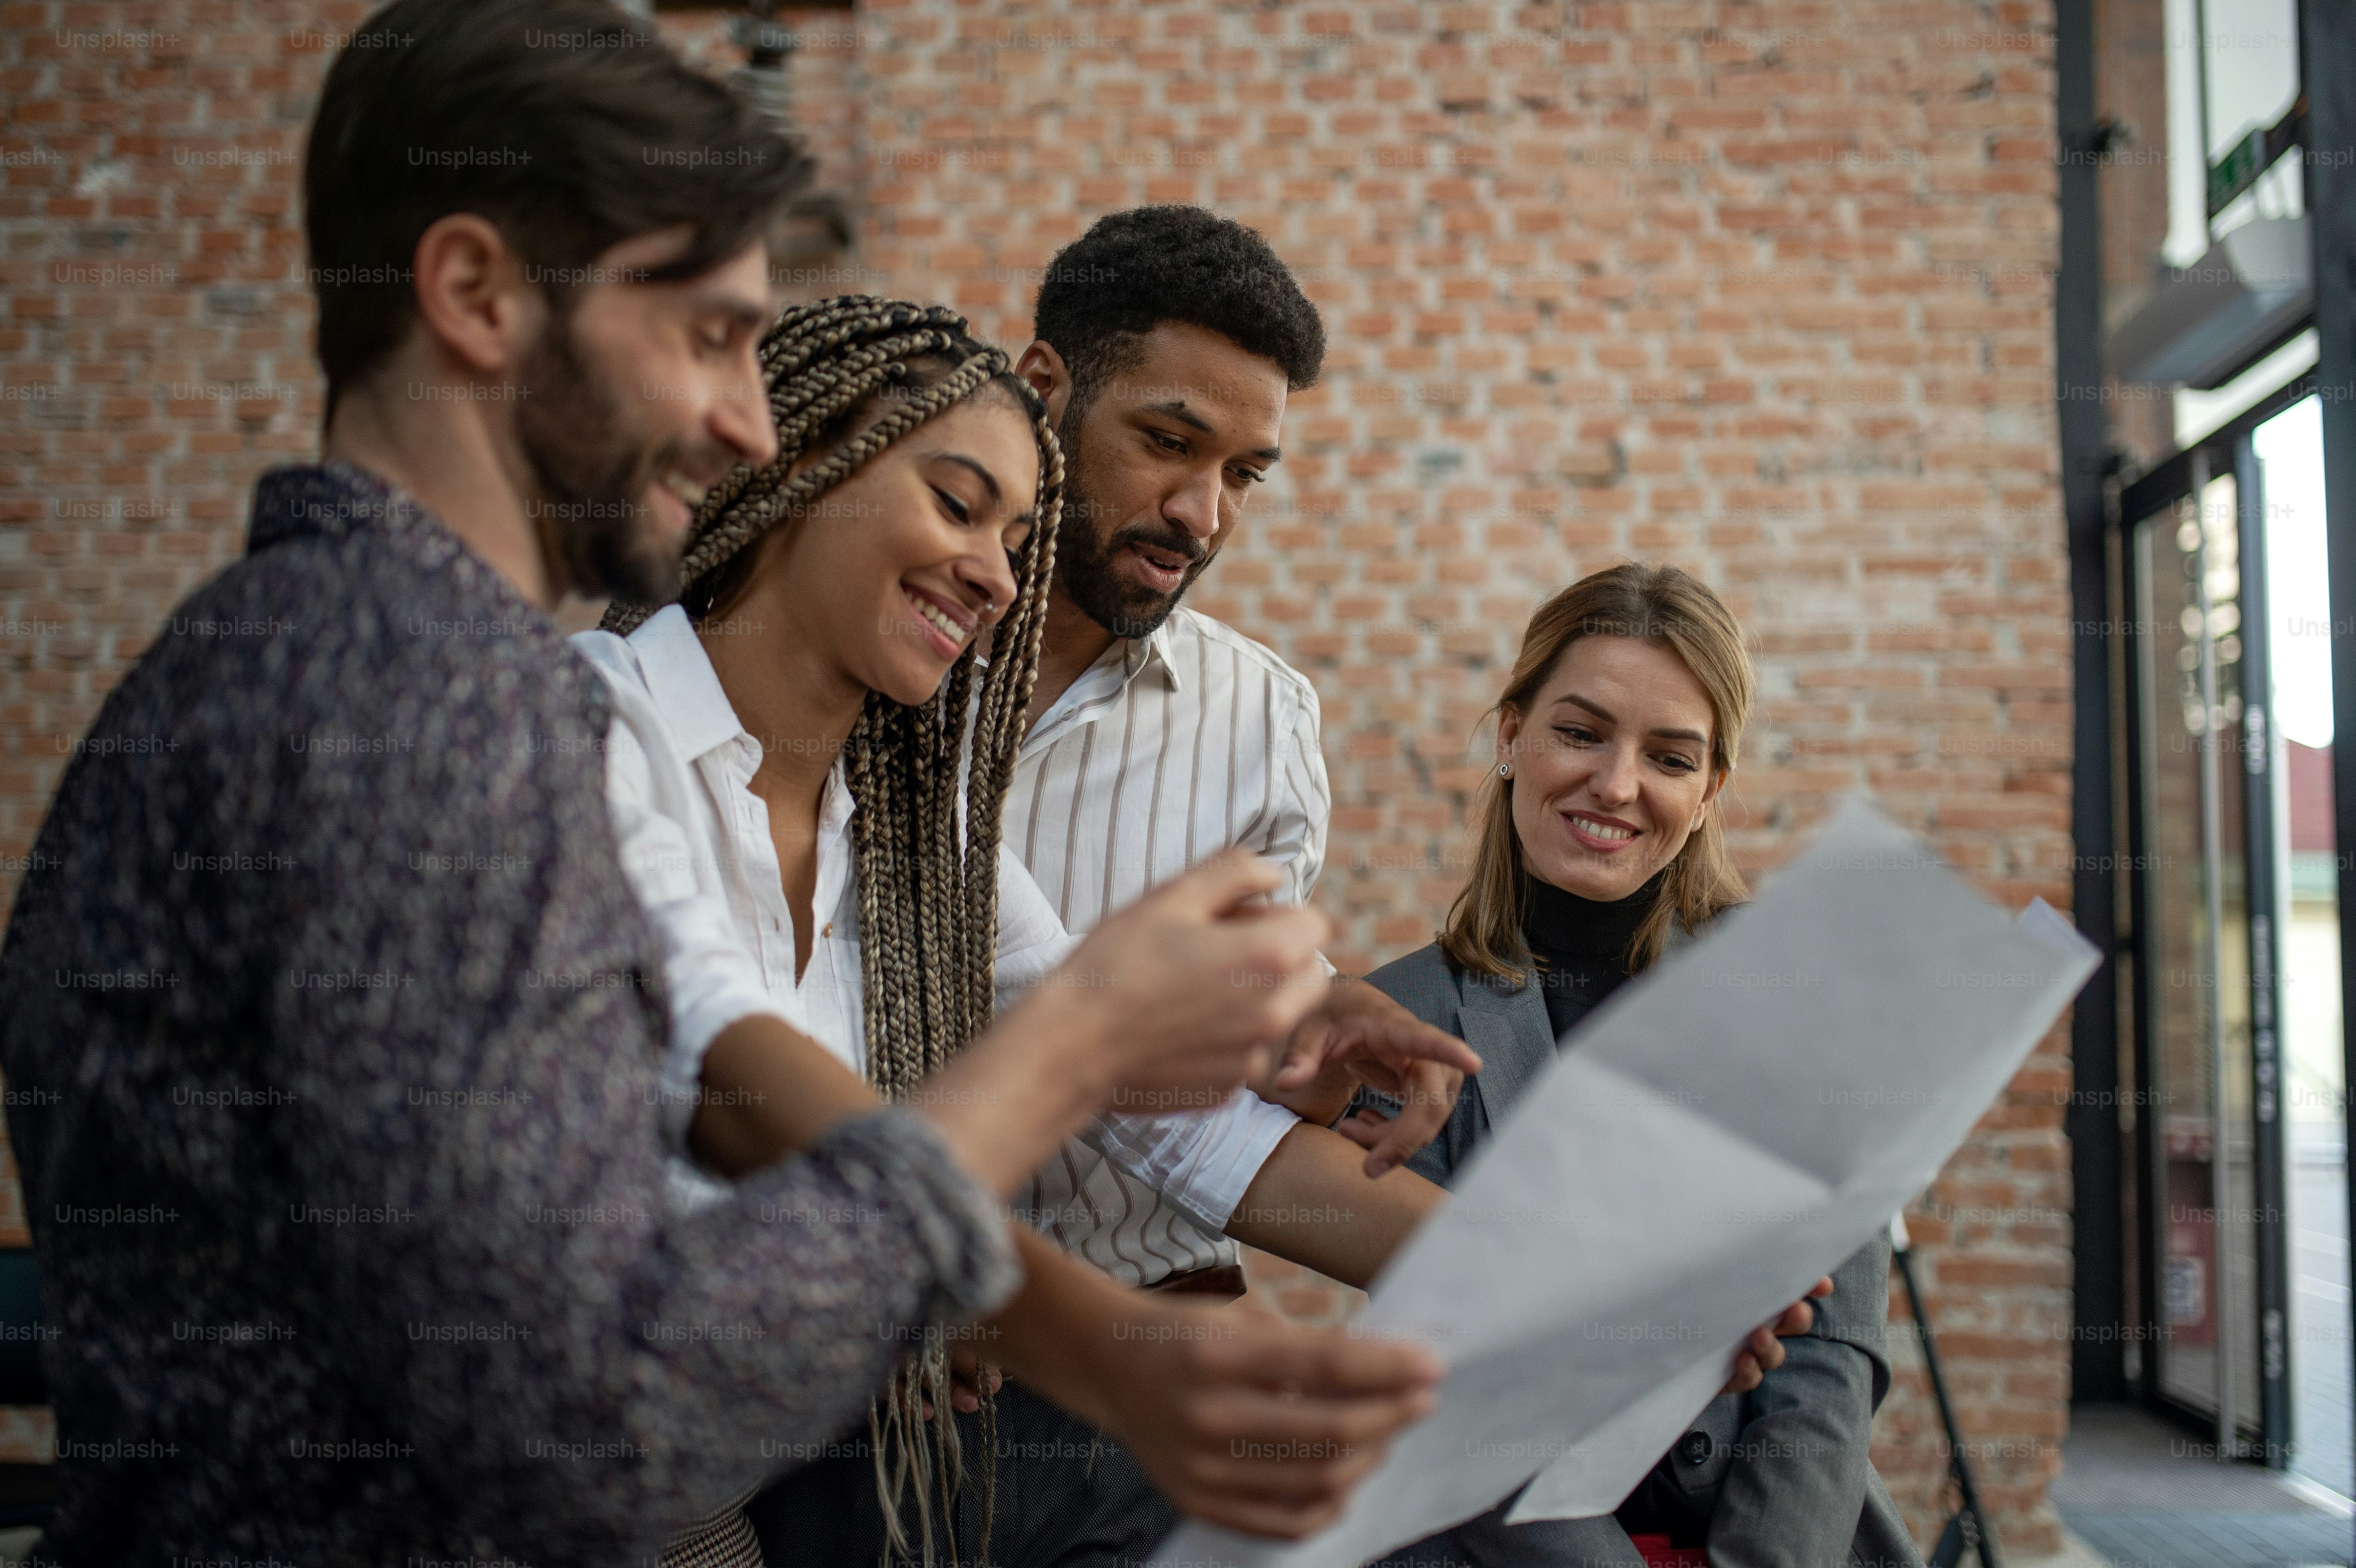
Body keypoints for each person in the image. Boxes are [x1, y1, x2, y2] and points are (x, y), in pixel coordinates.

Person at [0, 8, 1438, 1560]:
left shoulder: (362, 656)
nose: (747, 421)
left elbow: (740, 1097)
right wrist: (1083, 1101)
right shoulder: (422, 698)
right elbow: (606, 1402)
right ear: (475, 294)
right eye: (704, 337)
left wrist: (1230, 1147)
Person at [580, 296, 1481, 1567]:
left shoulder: (916, 820)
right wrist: (1102, 1344)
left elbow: (1168, 1118)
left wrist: (1563, 1287)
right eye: (957, 506)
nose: (1000, 576)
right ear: (797, 465)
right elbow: (729, 1074)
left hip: (756, 1462)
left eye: (1017, 539)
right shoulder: (586, 731)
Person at [1352, 564, 1924, 1568]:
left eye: (1668, 757)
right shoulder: (1400, 1024)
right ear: (1510, 736)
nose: (1616, 785)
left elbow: (1827, 1361)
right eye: (1581, 733)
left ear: (1708, 793)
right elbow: (1445, 1388)